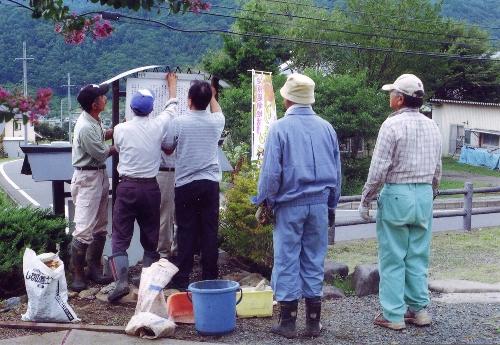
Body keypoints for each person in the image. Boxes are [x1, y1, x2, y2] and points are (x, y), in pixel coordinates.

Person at [252, 73, 341, 339]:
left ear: (287, 98)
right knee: (314, 258)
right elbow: (337, 172)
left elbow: (270, 175)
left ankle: (288, 322)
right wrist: (331, 205)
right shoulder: (327, 127)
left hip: (290, 204)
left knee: (287, 259)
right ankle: (314, 322)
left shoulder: (279, 128)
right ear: (310, 99)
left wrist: (264, 202)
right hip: (320, 204)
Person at [358, 74, 442, 330]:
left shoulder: (391, 126)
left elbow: (378, 169)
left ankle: (393, 315)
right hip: (424, 194)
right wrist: (432, 191)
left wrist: (366, 199)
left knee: (393, 257)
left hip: (397, 194)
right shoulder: (433, 126)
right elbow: (438, 168)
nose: (390, 96)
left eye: (392, 93)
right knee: (417, 255)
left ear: (400, 99)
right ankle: (419, 310)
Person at [108, 73, 178, 302]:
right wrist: (172, 87)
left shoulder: (120, 129)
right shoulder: (158, 125)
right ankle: (147, 281)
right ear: (150, 109)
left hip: (126, 186)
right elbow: (171, 110)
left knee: (120, 235)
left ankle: (121, 282)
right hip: (150, 187)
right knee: (150, 234)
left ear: (132, 107)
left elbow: (117, 148)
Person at [162, 80, 225, 290]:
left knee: (185, 230)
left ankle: (182, 279)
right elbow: (218, 110)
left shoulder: (179, 122)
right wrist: (212, 94)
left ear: (189, 100)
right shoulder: (216, 122)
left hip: (186, 184)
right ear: (209, 100)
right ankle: (209, 276)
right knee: (209, 230)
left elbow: (168, 148)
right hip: (210, 184)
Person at [70, 83, 116, 292]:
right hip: (88, 177)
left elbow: (100, 138)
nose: (105, 98)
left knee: (100, 226)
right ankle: (78, 274)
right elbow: (100, 153)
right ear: (94, 104)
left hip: (97, 174)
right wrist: (118, 145)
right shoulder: (86, 126)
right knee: (84, 228)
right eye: (102, 96)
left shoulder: (93, 120)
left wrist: (116, 131)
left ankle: (94, 268)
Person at [157, 149, 176, 260]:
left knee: (180, 215)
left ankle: (176, 251)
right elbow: (168, 148)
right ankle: (163, 254)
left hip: (181, 169)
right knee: (165, 214)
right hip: (165, 169)